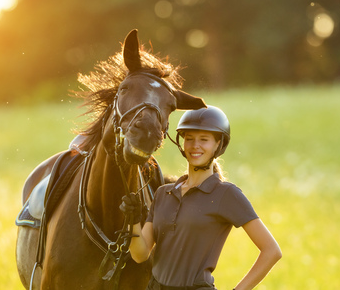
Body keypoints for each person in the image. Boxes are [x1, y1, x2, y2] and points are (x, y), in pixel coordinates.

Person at [120, 106, 282, 290]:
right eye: (189, 139)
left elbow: (272, 251)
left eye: (204, 140)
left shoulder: (226, 195)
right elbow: (140, 255)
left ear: (218, 144)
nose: (195, 145)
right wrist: (133, 222)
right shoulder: (163, 193)